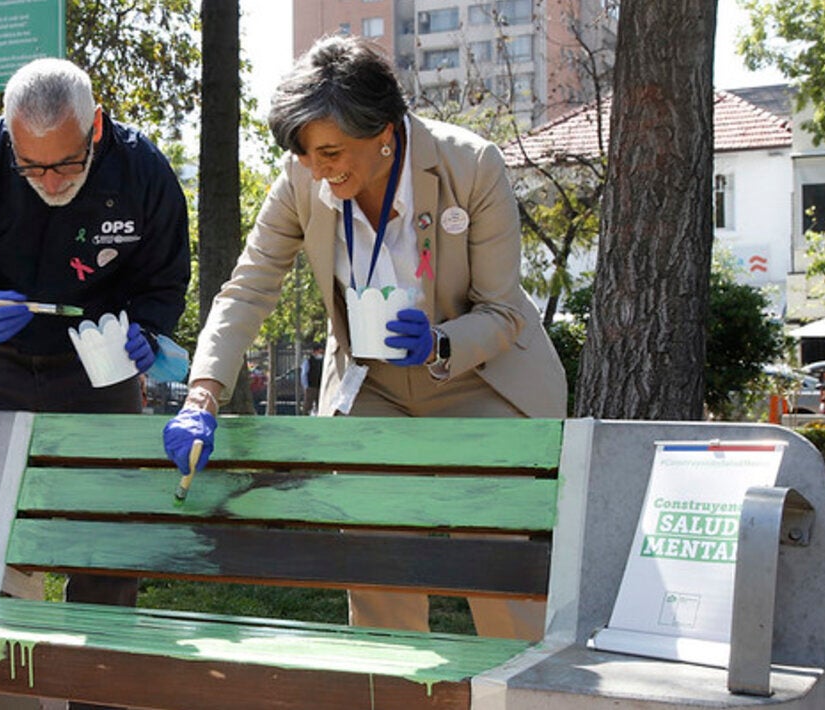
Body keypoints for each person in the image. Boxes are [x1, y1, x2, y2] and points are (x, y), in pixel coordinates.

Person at [162, 36, 566, 641]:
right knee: (376, 560)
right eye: (303, 153)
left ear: (383, 129)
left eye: (329, 151)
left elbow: (504, 312)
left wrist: (439, 343)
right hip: (373, 384)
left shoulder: (472, 165)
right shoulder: (302, 180)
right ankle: (392, 682)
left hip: (479, 379)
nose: (317, 169)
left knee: (498, 559)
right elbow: (248, 289)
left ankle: (517, 683)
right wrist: (202, 394)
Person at [0, 58, 190, 710]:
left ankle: (96, 693)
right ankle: (5, 695)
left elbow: (166, 279)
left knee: (108, 533)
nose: (51, 182)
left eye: (66, 164)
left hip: (96, 366)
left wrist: (147, 330)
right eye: (31, 167)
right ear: (8, 136)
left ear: (97, 128)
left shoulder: (143, 171)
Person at [301, 343, 325, 415]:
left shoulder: (323, 361)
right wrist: (306, 387)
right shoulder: (308, 361)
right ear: (315, 351)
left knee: (320, 406)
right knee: (307, 406)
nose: (321, 354)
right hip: (311, 387)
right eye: (320, 352)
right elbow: (304, 374)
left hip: (320, 387)